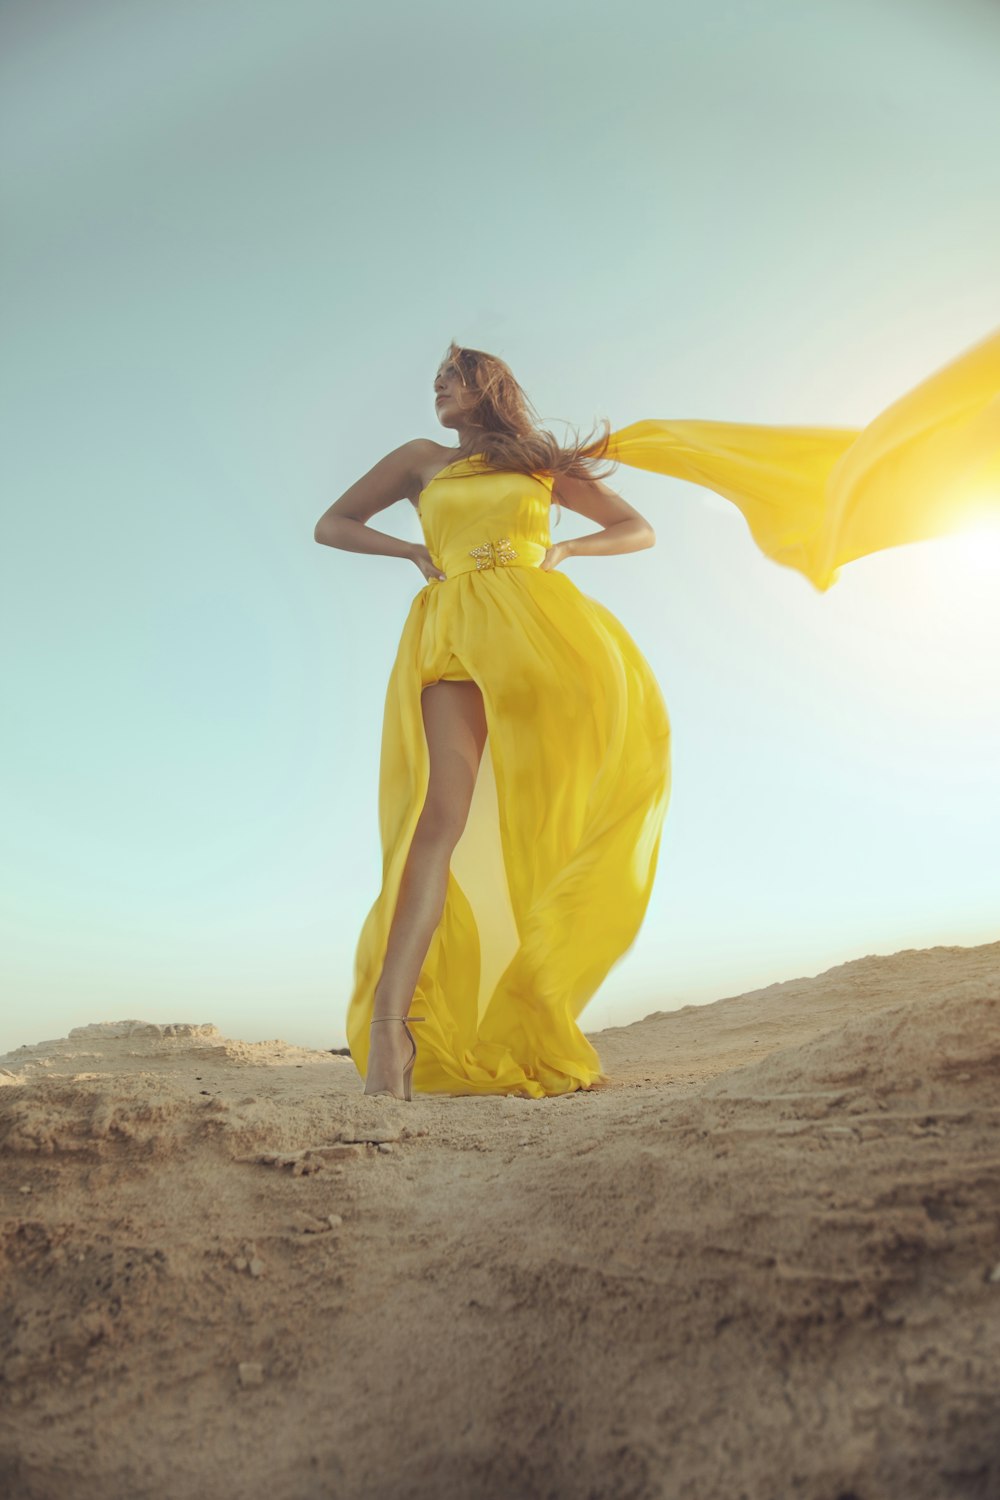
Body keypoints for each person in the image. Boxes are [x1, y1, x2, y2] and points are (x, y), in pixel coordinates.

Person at [314, 331, 999, 1101]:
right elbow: (332, 524)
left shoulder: (539, 460)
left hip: (540, 633)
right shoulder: (419, 460)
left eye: (453, 376)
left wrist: (565, 554)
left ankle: (534, 985)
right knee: (436, 820)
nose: (437, 386)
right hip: (448, 629)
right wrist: (409, 552)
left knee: (556, 814)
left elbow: (635, 528)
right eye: (437, 376)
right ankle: (390, 1031)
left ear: (489, 386)